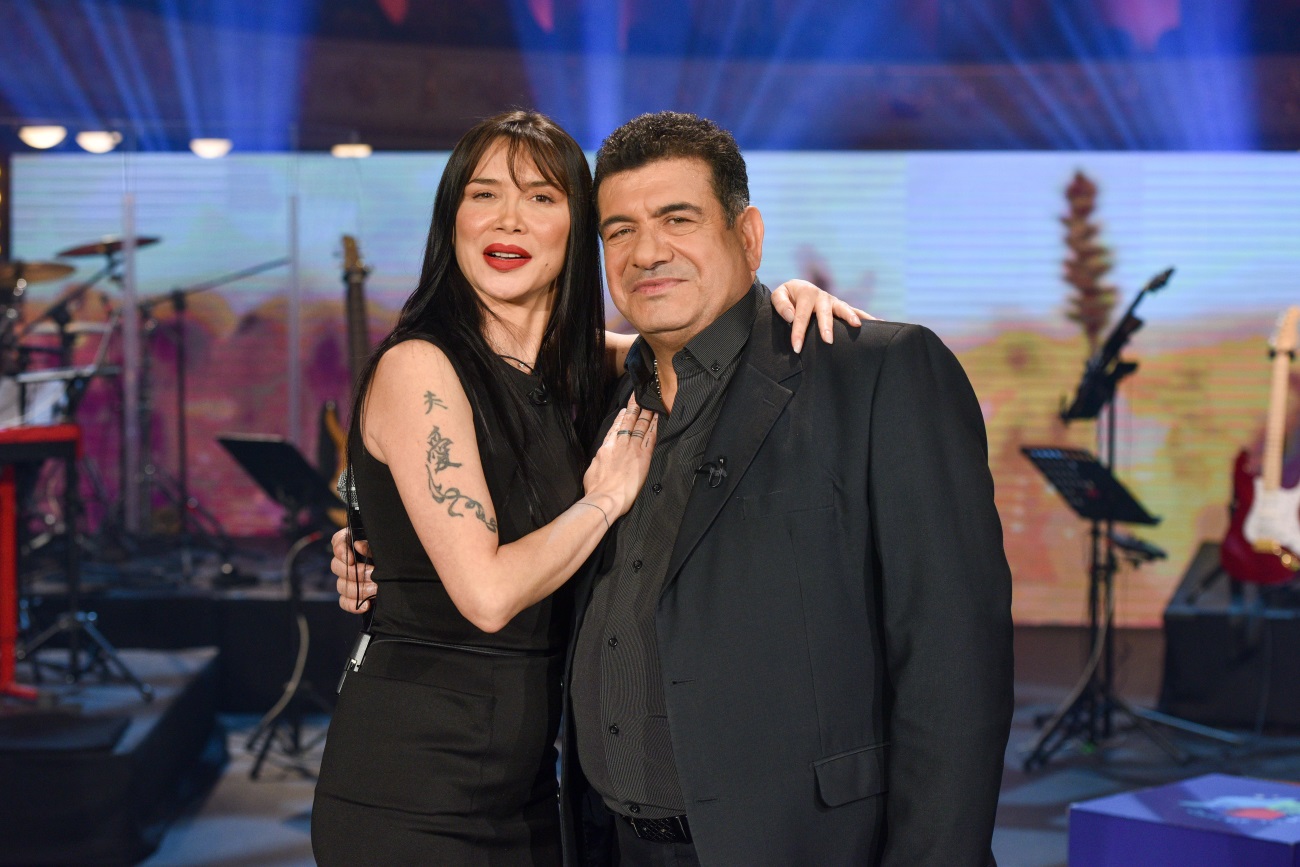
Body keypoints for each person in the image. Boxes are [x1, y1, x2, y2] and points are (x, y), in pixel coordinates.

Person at [313, 109, 864, 866]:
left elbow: (704, 334)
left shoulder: (580, 368)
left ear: (580, 229)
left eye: (541, 197)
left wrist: (783, 299)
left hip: (531, 791)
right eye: (483, 194)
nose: (508, 218)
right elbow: (487, 594)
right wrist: (604, 500)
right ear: (451, 219)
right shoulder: (422, 366)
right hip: (414, 787)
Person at [559, 112, 1014, 866]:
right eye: (620, 231)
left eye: (678, 219)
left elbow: (955, 662)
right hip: (618, 845)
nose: (647, 251)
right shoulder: (602, 405)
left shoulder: (876, 373)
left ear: (748, 236)